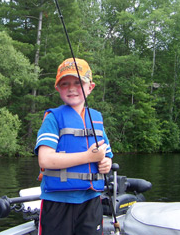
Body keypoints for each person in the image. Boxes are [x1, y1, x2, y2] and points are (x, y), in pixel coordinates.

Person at [34, 58, 113, 235]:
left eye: (78, 82)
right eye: (65, 83)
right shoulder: (53, 118)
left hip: (91, 201)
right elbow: (45, 159)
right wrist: (88, 157)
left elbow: (106, 154)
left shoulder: (96, 119)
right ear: (57, 89)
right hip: (58, 203)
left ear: (90, 87)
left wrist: (106, 162)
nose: (71, 88)